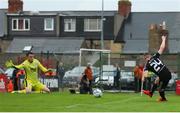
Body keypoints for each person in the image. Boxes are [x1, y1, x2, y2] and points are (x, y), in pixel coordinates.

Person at [142, 35, 172, 102]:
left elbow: (146, 74)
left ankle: (153, 94)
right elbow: (162, 48)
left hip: (162, 75)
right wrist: (163, 39)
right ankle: (152, 93)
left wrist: (144, 76)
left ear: (146, 58)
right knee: (157, 80)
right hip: (168, 73)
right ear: (149, 56)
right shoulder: (155, 56)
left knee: (160, 89)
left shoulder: (147, 65)